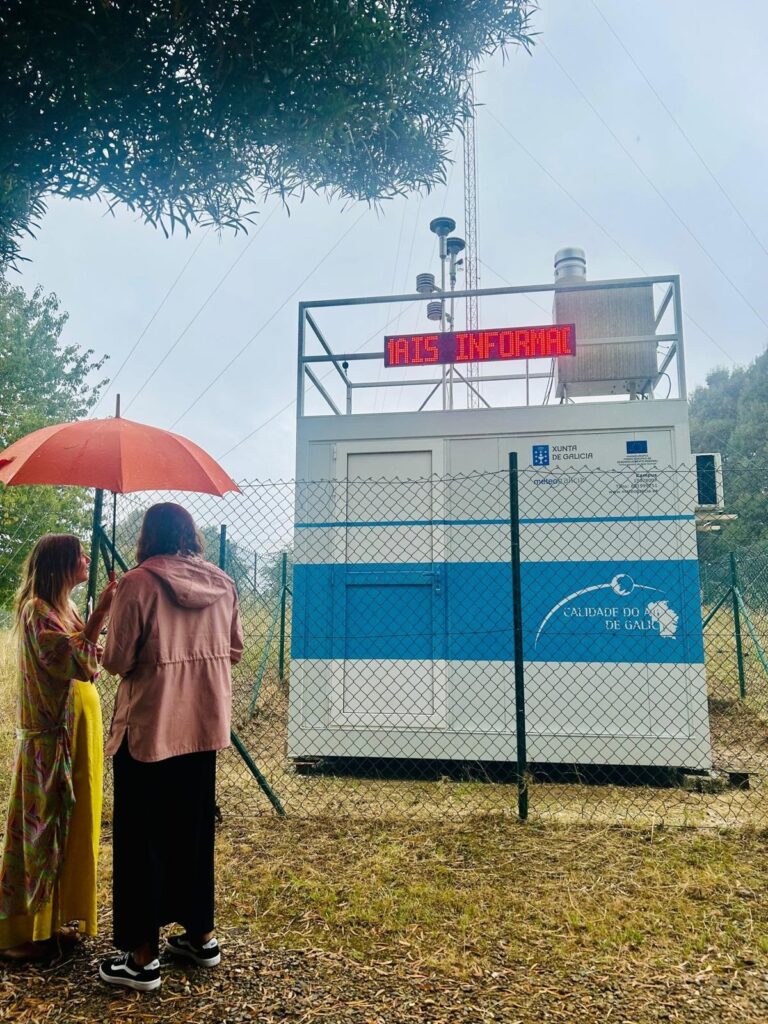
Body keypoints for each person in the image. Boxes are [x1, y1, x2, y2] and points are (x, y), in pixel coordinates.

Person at [98, 502, 243, 992]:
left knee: (142, 841)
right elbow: (235, 650)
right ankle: (200, 937)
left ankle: (141, 960)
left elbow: (117, 661)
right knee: (193, 832)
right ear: (192, 535)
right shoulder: (223, 583)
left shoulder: (139, 583)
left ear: (147, 536)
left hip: (149, 732)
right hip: (203, 730)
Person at [0, 534, 116, 961]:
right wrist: (100, 614)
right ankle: (19, 936)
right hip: (50, 740)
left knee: (72, 827)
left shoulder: (64, 608)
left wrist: (98, 624)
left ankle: (51, 924)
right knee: (40, 831)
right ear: (61, 564)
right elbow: (73, 662)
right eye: (80, 554)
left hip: (76, 730)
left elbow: (91, 663)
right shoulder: (37, 610)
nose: (87, 558)